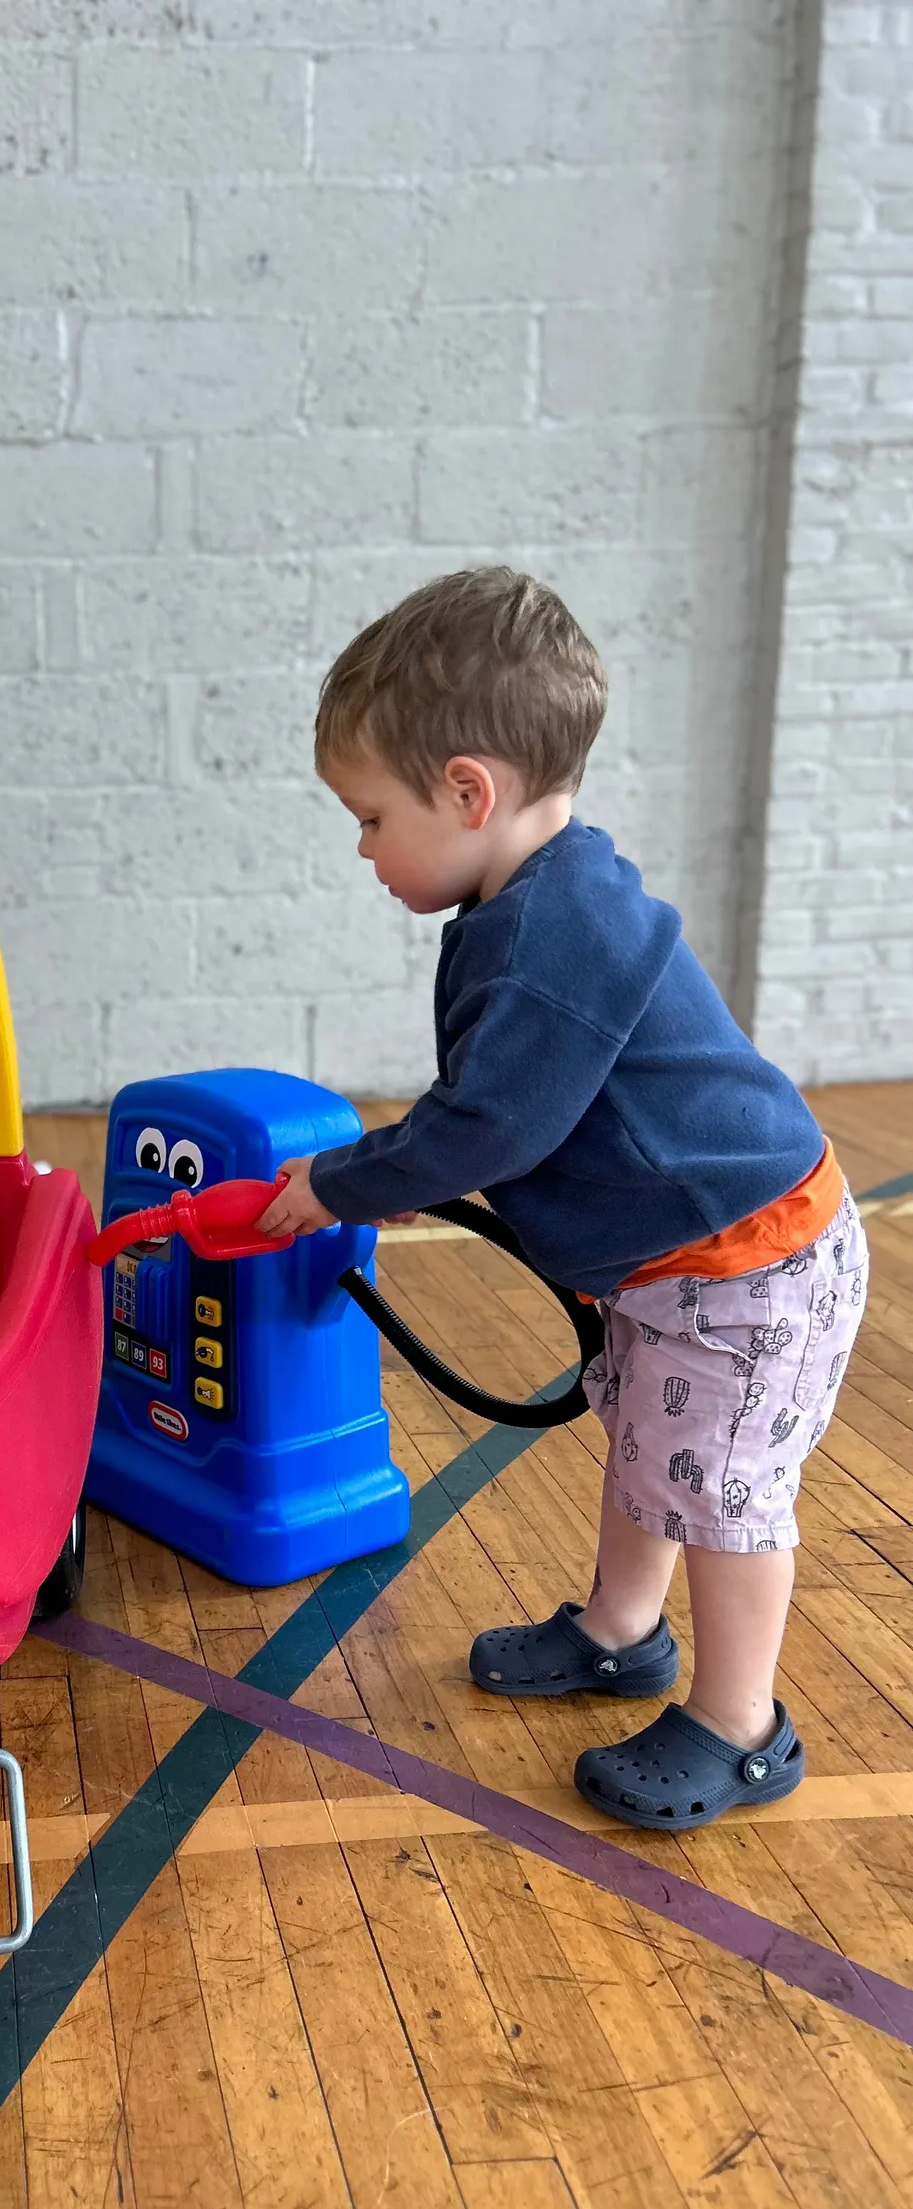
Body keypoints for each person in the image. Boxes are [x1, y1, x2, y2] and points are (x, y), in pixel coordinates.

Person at [256, 565, 868, 1833]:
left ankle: (742, 1725)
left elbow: (490, 1122)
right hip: (680, 1261)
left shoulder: (554, 930)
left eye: (370, 816)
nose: (363, 847)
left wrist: (334, 1184)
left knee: (724, 1487)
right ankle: (619, 1632)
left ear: (469, 792)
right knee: (653, 1443)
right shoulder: (522, 898)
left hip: (753, 1268)